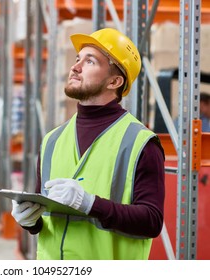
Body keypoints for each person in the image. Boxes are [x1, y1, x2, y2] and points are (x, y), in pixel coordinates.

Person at [11, 28, 165, 260]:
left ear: (114, 81)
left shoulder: (140, 143)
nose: (75, 67)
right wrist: (30, 221)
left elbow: (151, 222)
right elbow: (47, 217)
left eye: (90, 61)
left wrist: (91, 204)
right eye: (77, 59)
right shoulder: (52, 141)